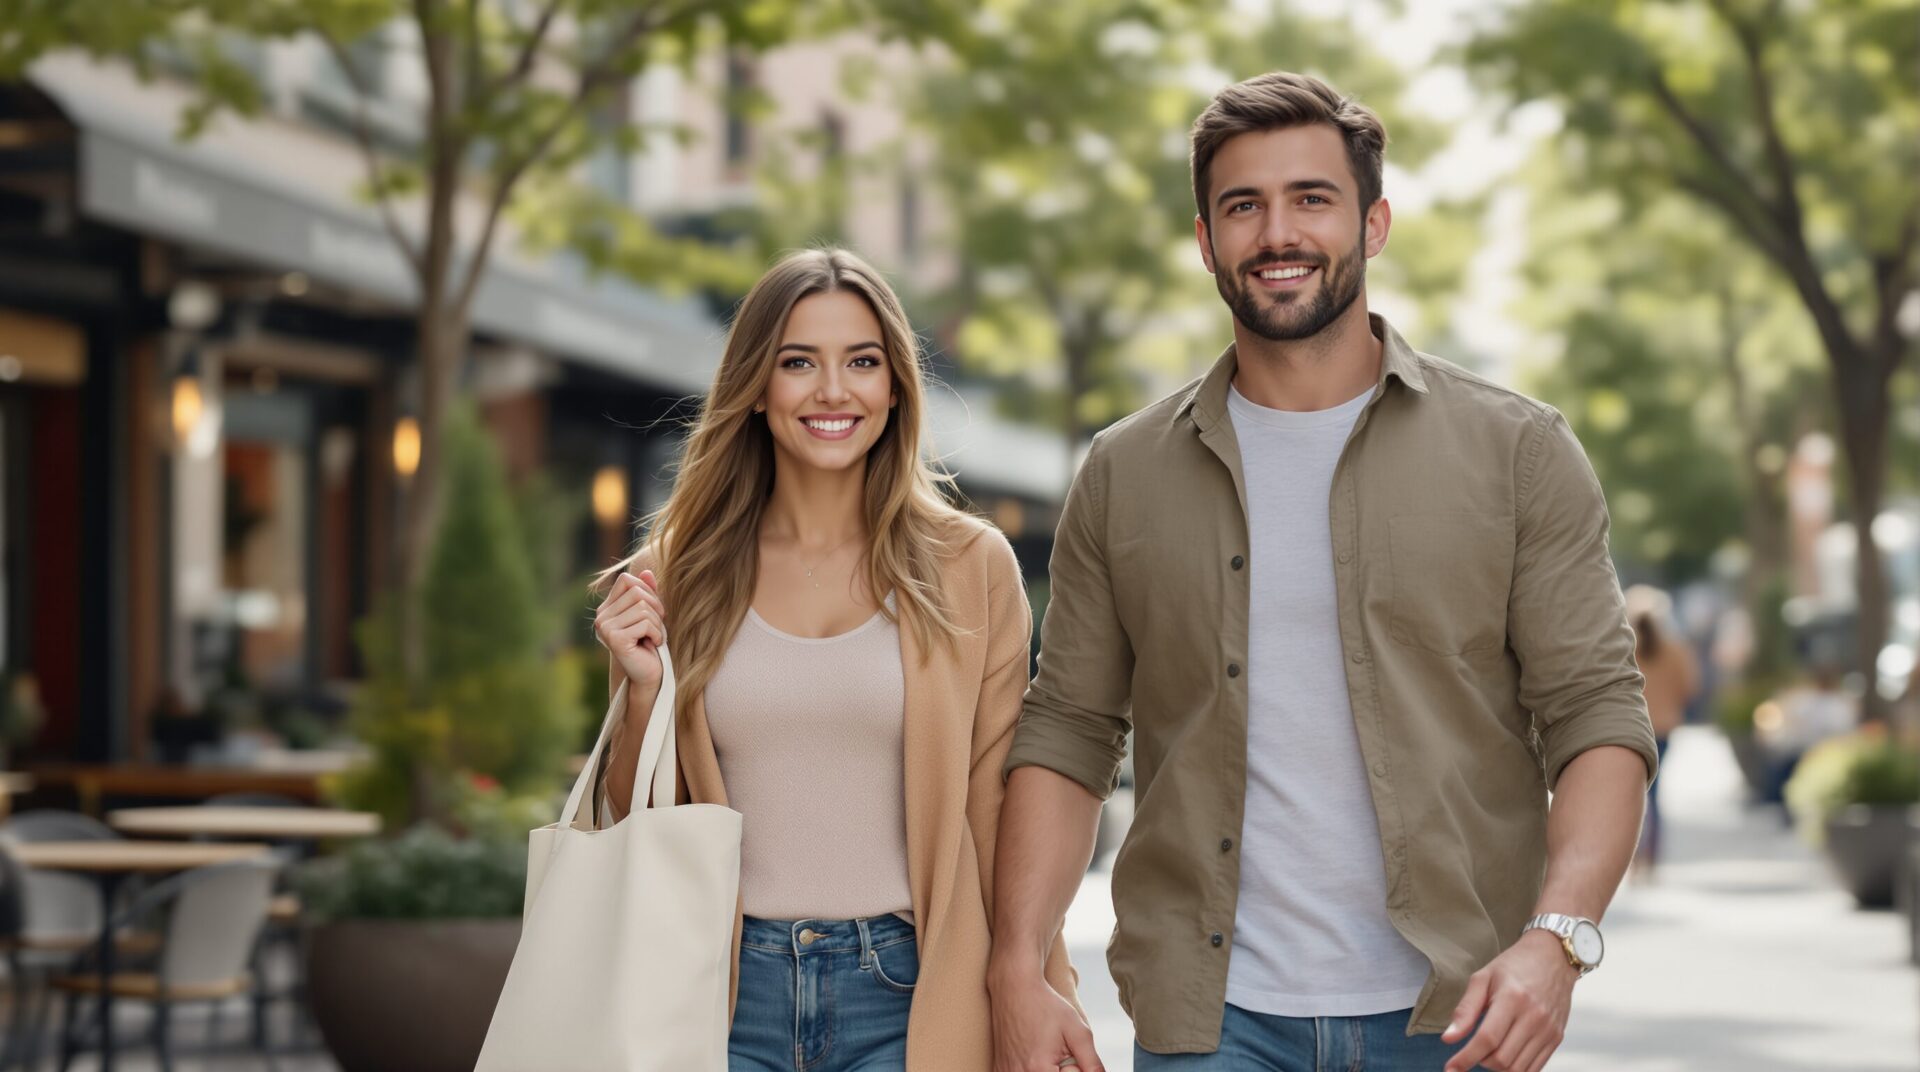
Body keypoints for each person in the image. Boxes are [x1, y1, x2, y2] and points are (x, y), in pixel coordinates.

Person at [986, 72, 1659, 1072]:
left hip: (1456, 1017)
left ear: (1373, 223)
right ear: (1206, 240)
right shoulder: (1124, 472)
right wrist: (1016, 965)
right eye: (1242, 206)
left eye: (1312, 198)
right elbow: (1072, 727)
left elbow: (1596, 711)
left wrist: (1556, 941)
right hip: (1212, 1025)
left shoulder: (1517, 452)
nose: (1278, 233)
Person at [591, 248, 1079, 1071]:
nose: (832, 390)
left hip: (906, 997)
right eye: (797, 363)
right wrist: (643, 695)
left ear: (895, 387)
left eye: (861, 361)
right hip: (723, 994)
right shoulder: (675, 575)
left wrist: (1042, 983)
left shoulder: (971, 567)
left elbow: (996, 804)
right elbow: (637, 822)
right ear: (756, 386)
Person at [1625, 585, 1700, 880]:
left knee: (1632, 794)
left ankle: (1632, 859)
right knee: (1655, 794)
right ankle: (1652, 858)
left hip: (1633, 725)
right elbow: (1690, 686)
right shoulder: (1676, 650)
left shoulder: (1626, 648)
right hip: (1665, 727)